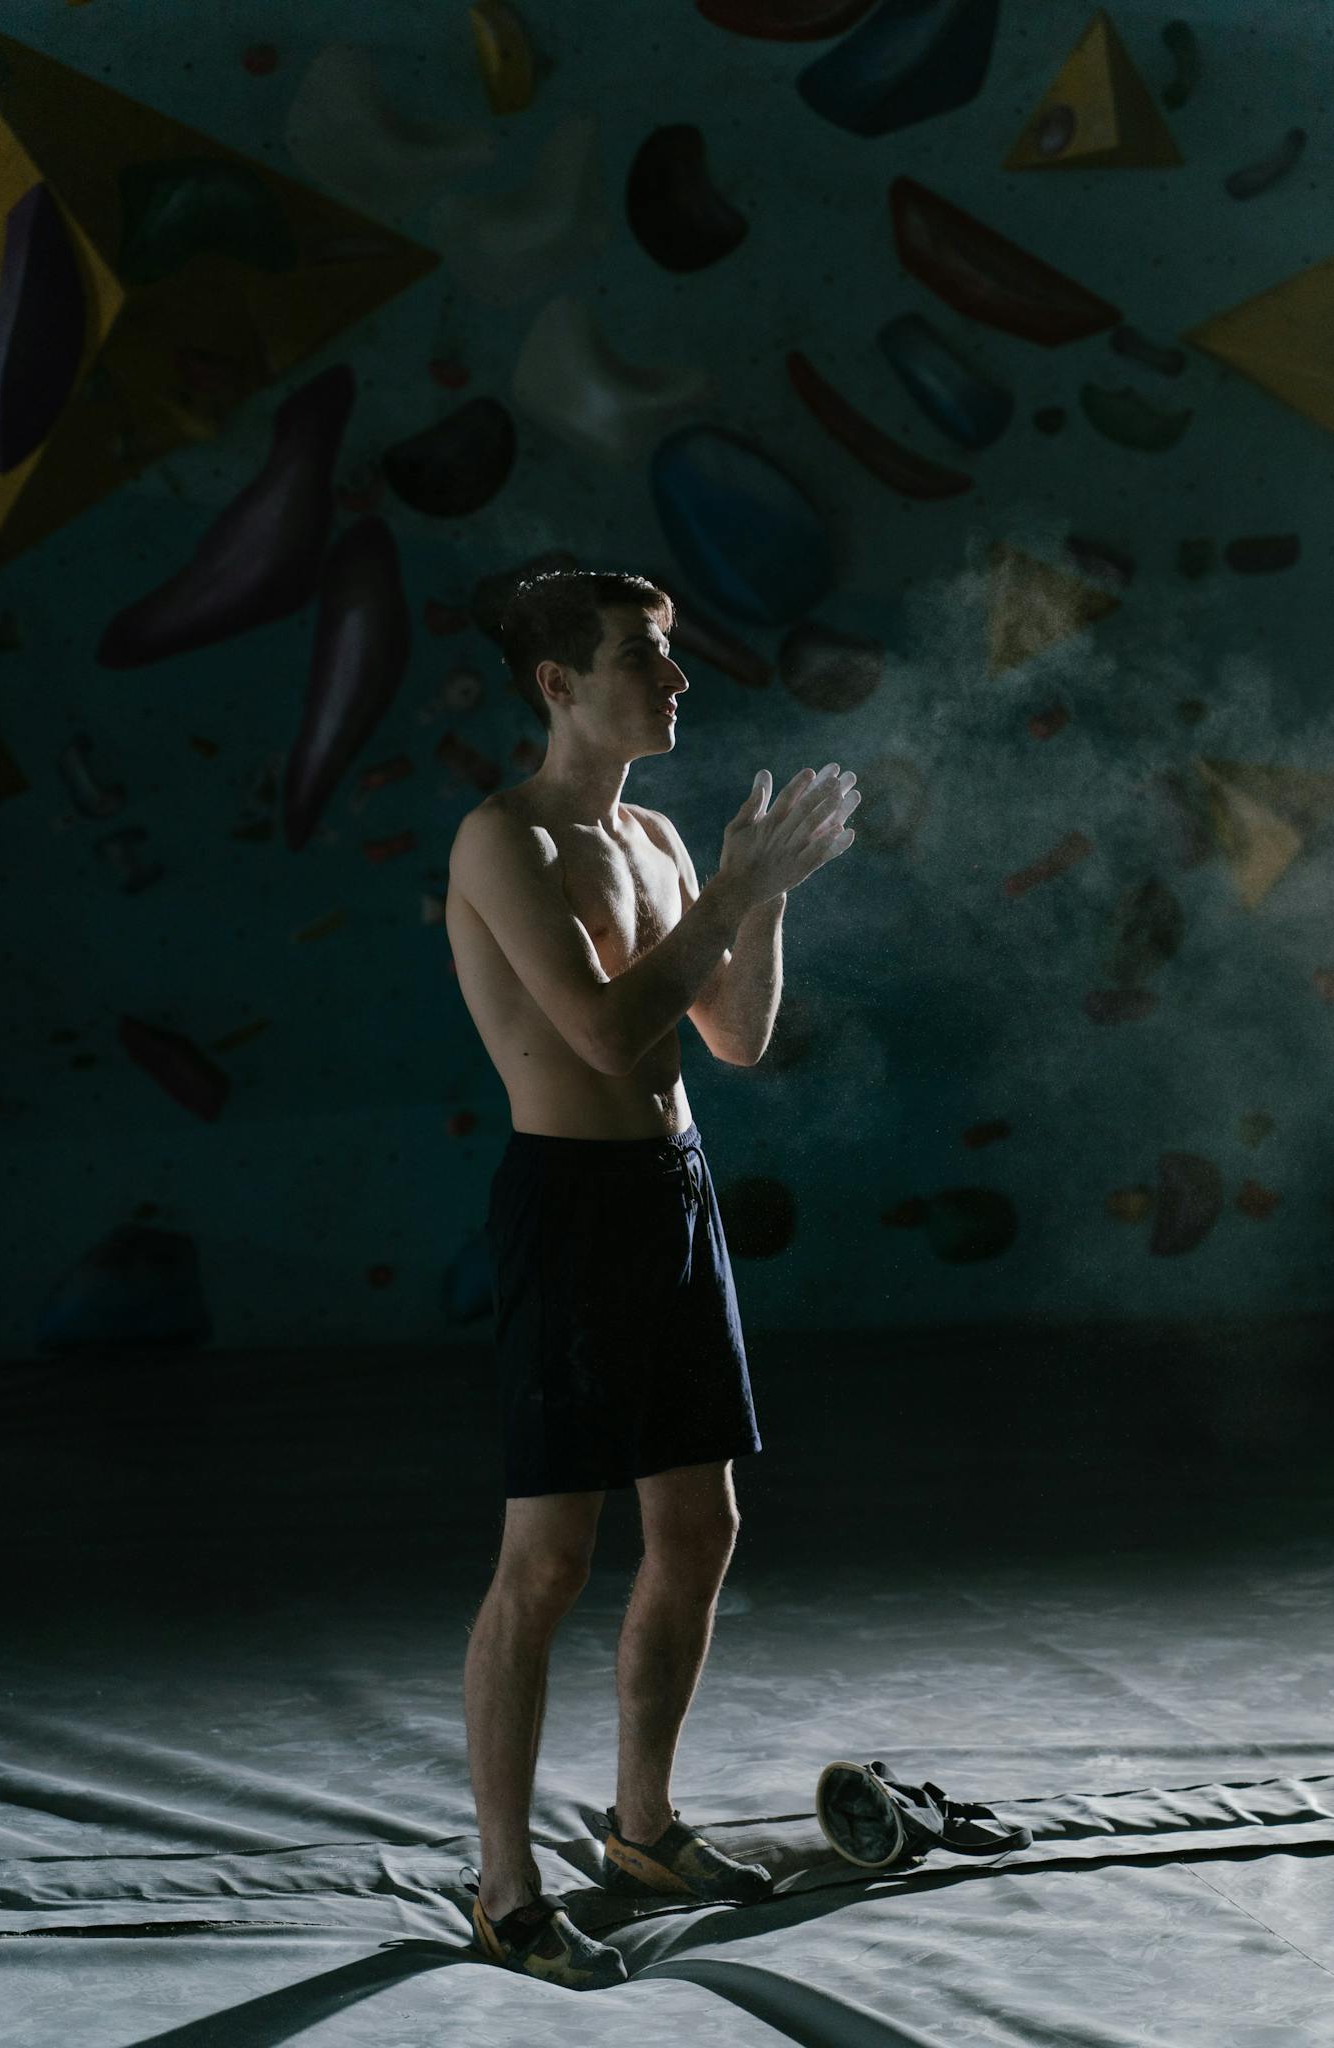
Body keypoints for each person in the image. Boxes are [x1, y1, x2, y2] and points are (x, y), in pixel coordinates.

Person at [445, 567, 860, 1989]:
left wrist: (767, 895)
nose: (675, 683)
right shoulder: (502, 839)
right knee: (547, 1562)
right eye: (642, 659)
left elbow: (730, 1037)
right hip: (568, 1208)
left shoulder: (662, 836)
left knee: (697, 1528)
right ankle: (502, 1886)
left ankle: (641, 1827)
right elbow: (611, 1034)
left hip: (673, 1195)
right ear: (559, 686)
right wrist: (734, 889)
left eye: (672, 656)